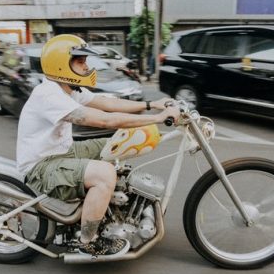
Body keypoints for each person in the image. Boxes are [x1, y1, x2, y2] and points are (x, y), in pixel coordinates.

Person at [16, 34, 179, 258]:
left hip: (63, 152)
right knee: (105, 174)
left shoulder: (68, 88)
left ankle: (108, 204)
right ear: (61, 64)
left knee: (118, 144)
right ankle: (87, 241)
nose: (86, 66)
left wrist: (152, 104)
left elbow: (107, 103)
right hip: (41, 167)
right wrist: (158, 118)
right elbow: (104, 120)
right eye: (80, 61)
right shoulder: (48, 95)